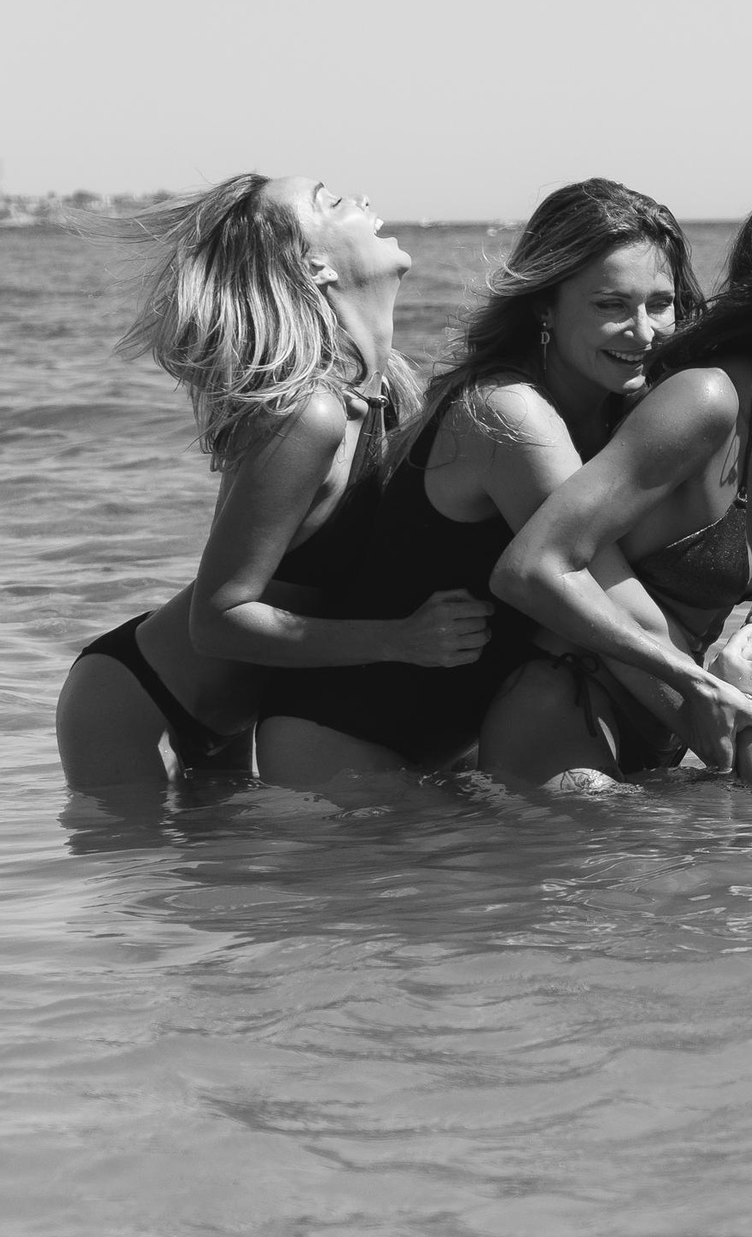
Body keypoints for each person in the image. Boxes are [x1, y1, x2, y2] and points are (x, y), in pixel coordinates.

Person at [253, 179, 705, 785]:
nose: (644, 331)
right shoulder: (508, 414)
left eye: (661, 303)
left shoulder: (617, 412)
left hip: (444, 750)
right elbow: (621, 613)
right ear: (544, 307)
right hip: (342, 743)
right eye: (610, 305)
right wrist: (739, 747)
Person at [53, 175, 490, 790]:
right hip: (139, 703)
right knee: (142, 859)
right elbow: (216, 620)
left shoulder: (391, 387)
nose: (361, 200)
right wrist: (402, 641)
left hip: (241, 709)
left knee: (238, 860)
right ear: (315, 267)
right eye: (331, 201)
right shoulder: (309, 415)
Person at [489, 187, 752, 791]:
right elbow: (531, 567)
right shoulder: (706, 402)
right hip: (569, 709)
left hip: (669, 731)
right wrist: (698, 682)